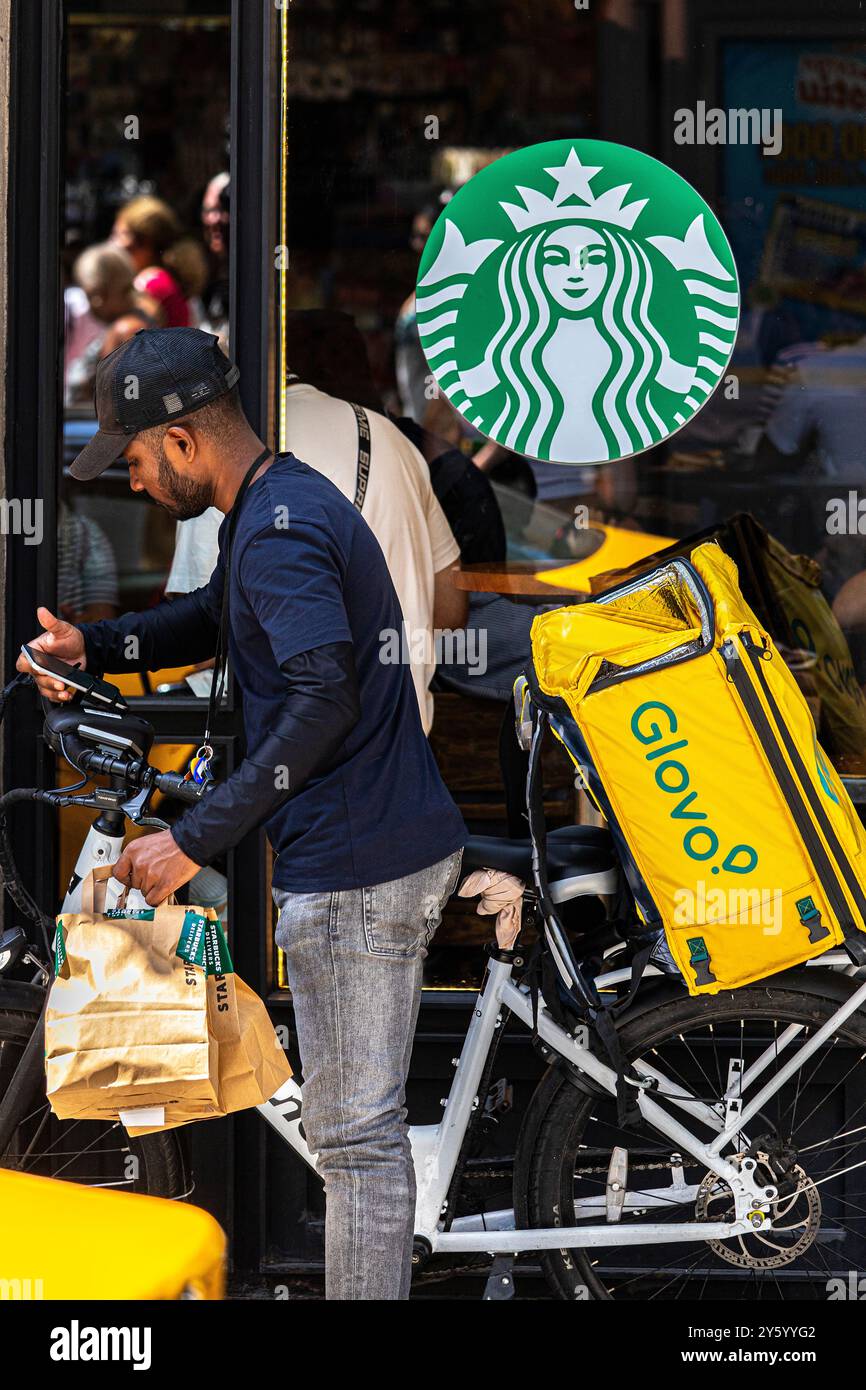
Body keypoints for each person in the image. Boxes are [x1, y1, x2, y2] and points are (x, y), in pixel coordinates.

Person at [19, 327, 466, 1301]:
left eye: (132, 459)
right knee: (357, 1130)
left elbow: (322, 696)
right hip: (373, 841)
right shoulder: (273, 505)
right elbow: (212, 616)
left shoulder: (280, 528)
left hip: (358, 866)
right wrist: (92, 644)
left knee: (353, 1142)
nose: (130, 482)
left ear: (181, 441)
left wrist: (190, 839)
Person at [65, 243, 153, 405]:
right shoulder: (132, 322)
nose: (93, 303)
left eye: (91, 294)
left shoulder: (126, 331)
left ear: (101, 294)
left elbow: (125, 397)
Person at [111, 196, 198, 329]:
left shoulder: (151, 284)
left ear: (146, 242)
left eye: (121, 234)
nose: (113, 243)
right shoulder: (162, 279)